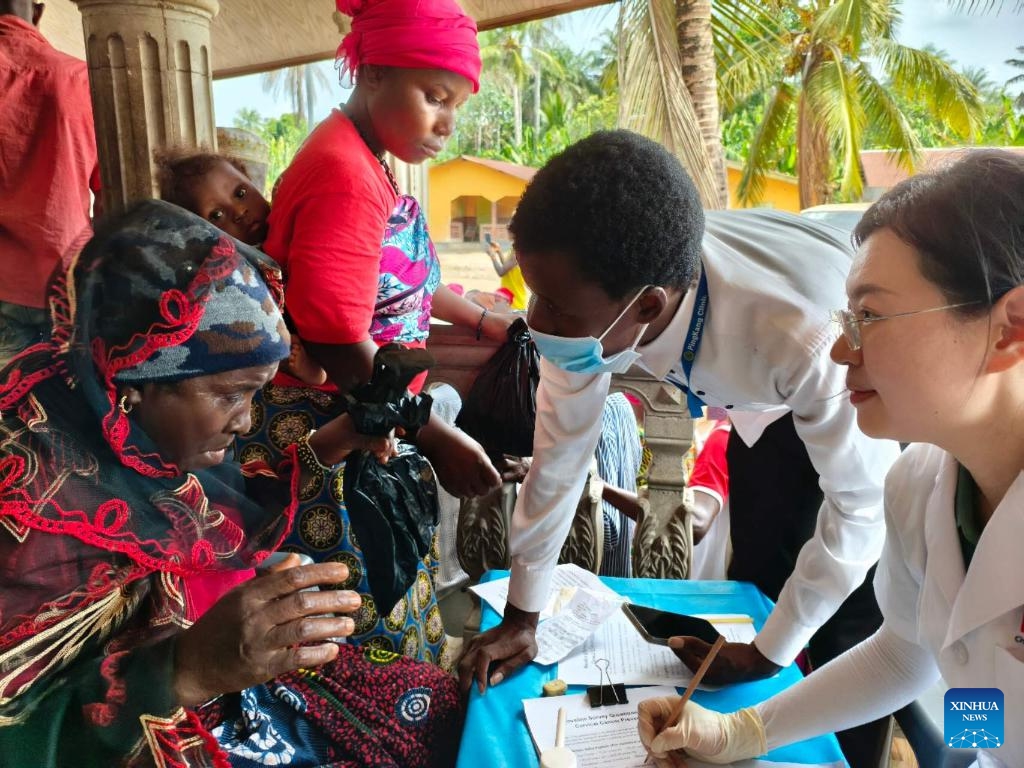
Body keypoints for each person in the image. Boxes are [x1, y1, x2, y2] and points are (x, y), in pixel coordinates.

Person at [457, 130, 902, 761]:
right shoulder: (594, 298)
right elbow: (558, 460)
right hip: (763, 409)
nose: (535, 321)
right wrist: (525, 614)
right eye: (533, 294)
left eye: (551, 305)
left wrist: (769, 652)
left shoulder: (805, 335)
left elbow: (860, 512)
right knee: (760, 575)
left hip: (860, 398)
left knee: (860, 620)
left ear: (647, 307)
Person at [0, 199, 462, 767]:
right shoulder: (28, 515)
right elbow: (23, 732)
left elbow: (237, 505)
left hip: (234, 687)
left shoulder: (142, 441)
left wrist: (343, 434)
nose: (245, 421)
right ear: (135, 379)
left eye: (255, 393)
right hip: (153, 728)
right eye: (231, 394)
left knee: (440, 706)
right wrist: (184, 667)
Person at [637, 149, 1024, 768]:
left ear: (1010, 327)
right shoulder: (920, 485)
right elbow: (905, 653)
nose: (842, 349)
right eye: (849, 316)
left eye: (870, 316)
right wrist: (741, 732)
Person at [239, 0, 504, 667]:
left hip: (362, 415)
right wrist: (434, 432)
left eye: (456, 107)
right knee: (361, 624)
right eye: (434, 97)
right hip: (327, 425)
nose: (446, 123)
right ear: (376, 73)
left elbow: (394, 283)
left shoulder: (363, 158)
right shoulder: (346, 175)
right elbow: (332, 335)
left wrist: (477, 318)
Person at [155, 148, 328, 386]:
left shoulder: (293, 225)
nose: (239, 212)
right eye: (216, 215)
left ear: (251, 180)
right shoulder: (227, 269)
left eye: (241, 192)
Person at [0, 0, 100, 366]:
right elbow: (112, 200)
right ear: (38, 12)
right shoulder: (79, 77)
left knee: (6, 412)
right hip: (67, 280)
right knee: (68, 406)